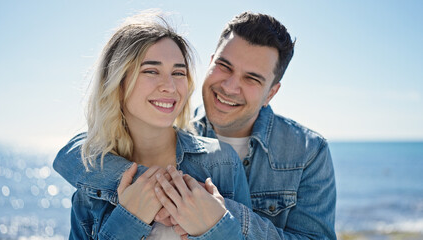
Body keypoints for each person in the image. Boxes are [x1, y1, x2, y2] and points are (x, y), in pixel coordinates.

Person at [55, 11, 337, 239]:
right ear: (211, 63)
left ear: (271, 92)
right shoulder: (98, 177)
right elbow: (75, 153)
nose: (229, 87)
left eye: (252, 78)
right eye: (224, 67)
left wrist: (219, 216)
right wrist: (146, 192)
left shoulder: (304, 151)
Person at [53, 11, 252, 240]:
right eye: (151, 71)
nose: (169, 86)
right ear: (118, 83)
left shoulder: (222, 163)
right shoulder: (91, 184)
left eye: (178, 72)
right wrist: (129, 219)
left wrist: (217, 228)